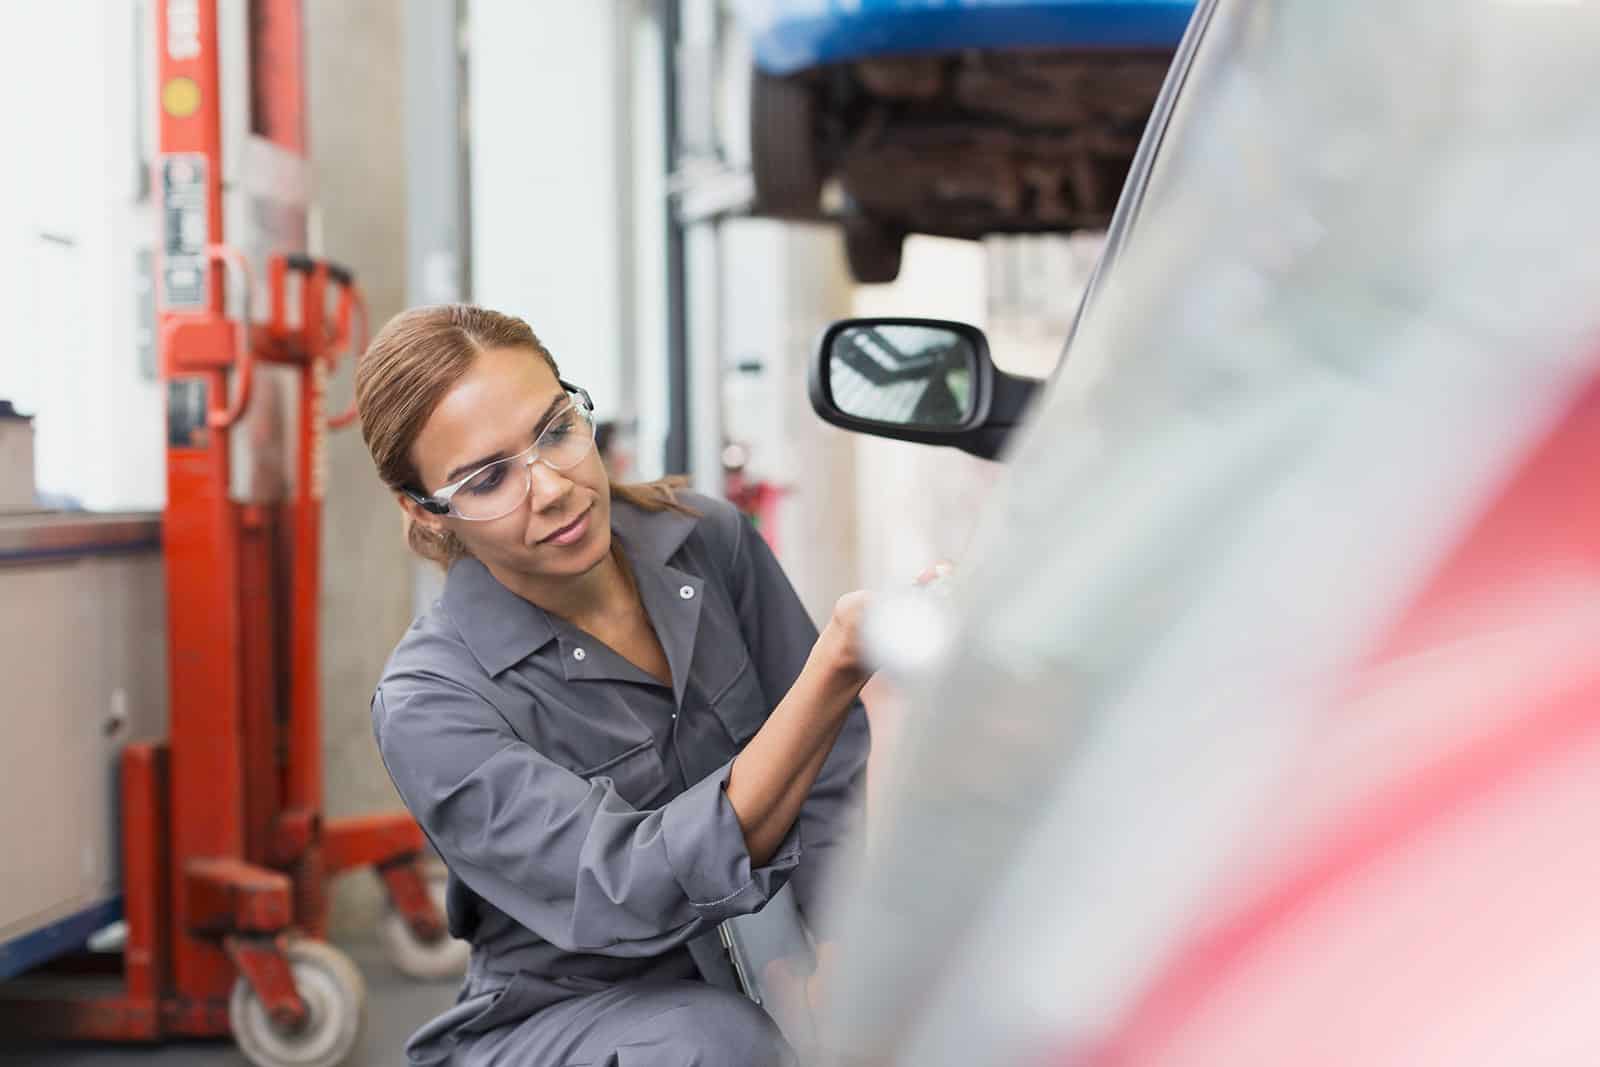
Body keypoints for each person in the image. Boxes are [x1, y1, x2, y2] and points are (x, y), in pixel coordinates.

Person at [354, 304, 872, 1066]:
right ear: (428, 512)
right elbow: (627, 883)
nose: (554, 488)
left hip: (755, 969)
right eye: (490, 477)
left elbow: (827, 766)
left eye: (555, 430)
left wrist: (835, 941)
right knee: (712, 1046)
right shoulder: (432, 702)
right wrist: (834, 668)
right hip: (570, 1016)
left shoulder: (707, 542)